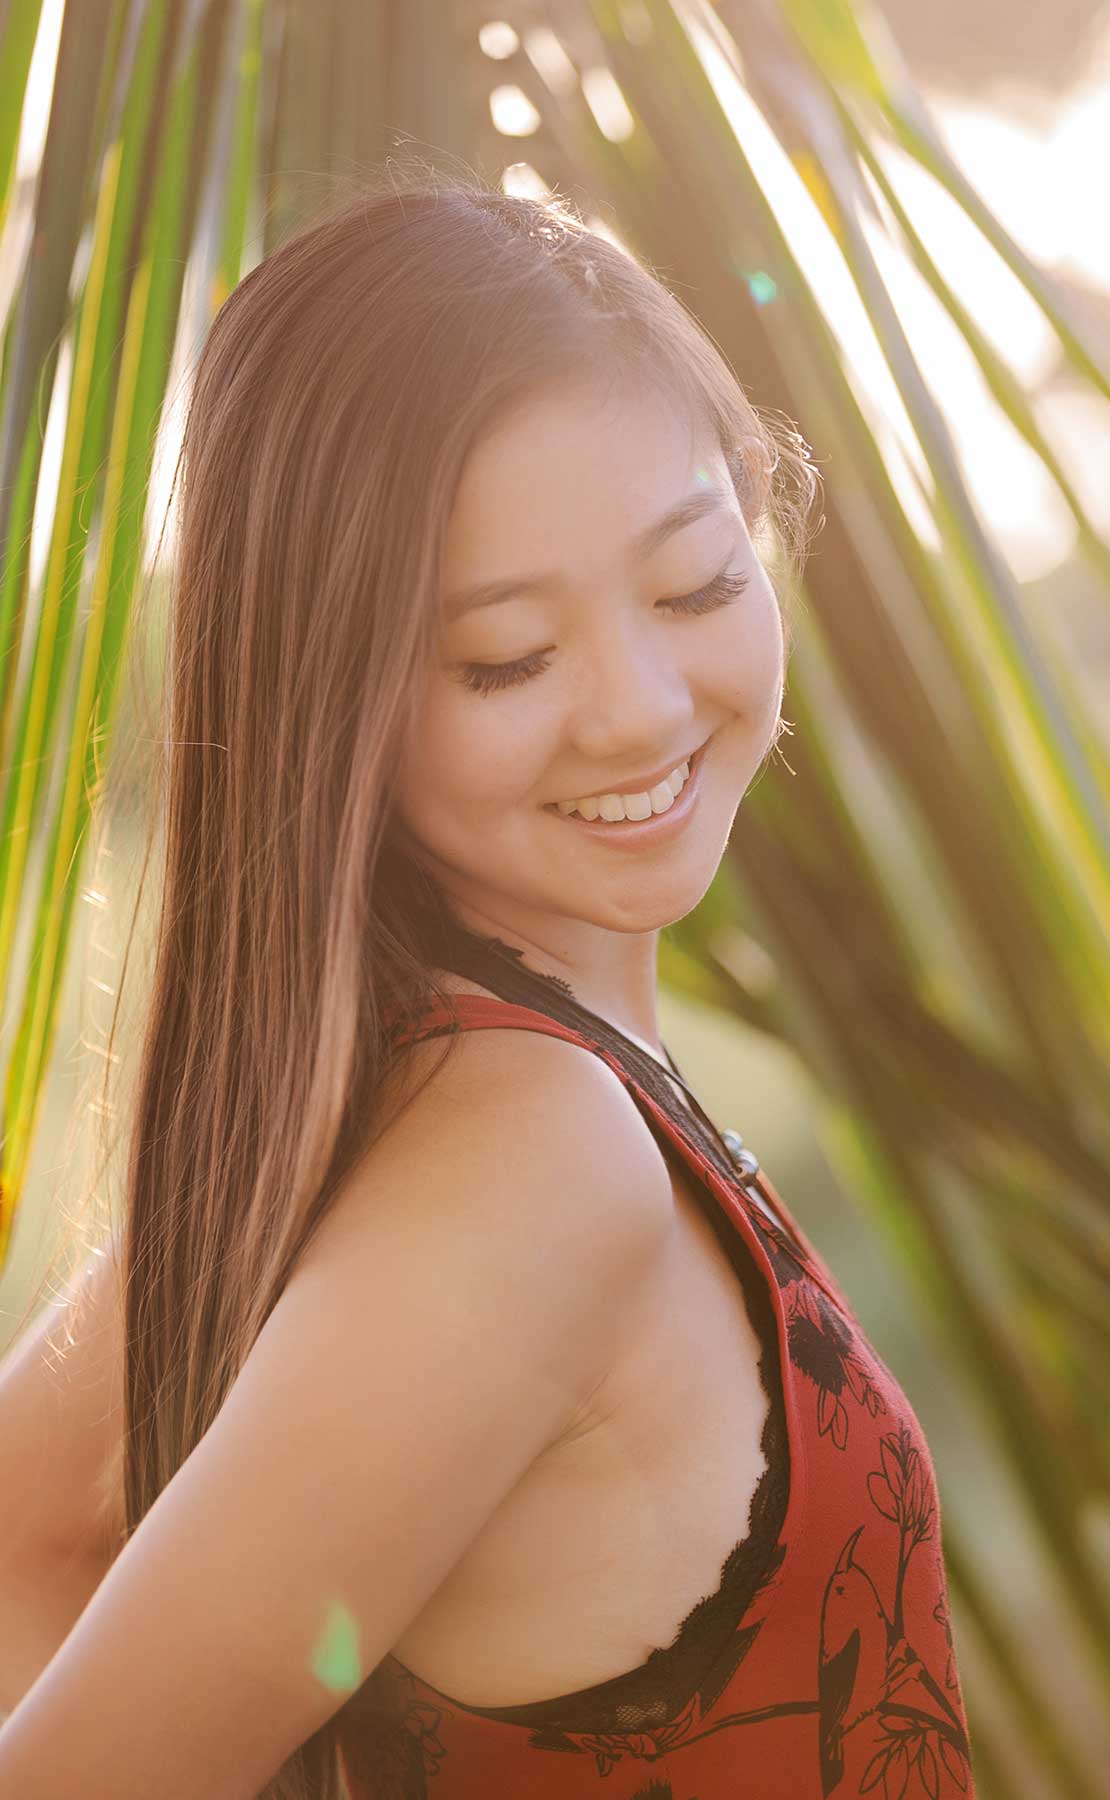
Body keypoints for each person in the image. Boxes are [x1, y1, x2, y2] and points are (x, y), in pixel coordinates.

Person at [0, 171, 974, 1798]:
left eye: (695, 584)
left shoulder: (420, 1086)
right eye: (505, 658)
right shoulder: (536, 1158)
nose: (637, 707)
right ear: (337, 700)